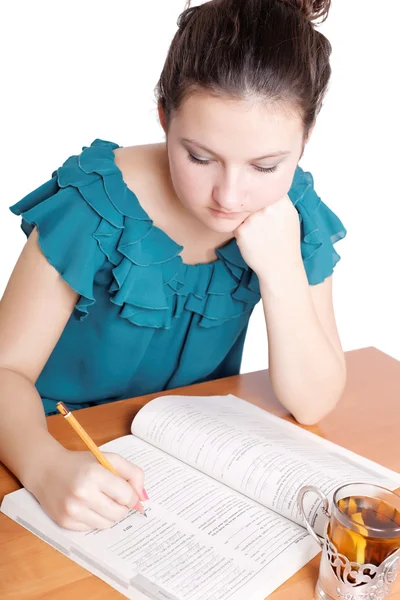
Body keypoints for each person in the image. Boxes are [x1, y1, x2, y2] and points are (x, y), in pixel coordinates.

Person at [0, 0, 347, 531]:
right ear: (164, 116)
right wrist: (45, 466)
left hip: (185, 463)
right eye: (199, 157)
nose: (229, 197)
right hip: (54, 449)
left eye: (265, 165)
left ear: (308, 135)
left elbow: (313, 402)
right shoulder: (94, 204)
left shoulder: (294, 214)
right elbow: (4, 372)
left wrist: (282, 272)